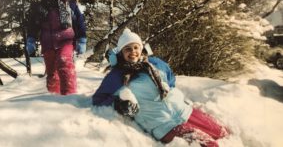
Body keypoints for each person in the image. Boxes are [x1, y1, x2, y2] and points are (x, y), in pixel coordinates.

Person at [92, 28, 229, 147]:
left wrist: (169, 90)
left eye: (136, 47)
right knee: (208, 144)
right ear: (121, 53)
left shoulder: (155, 63)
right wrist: (119, 104)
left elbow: (171, 79)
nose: (133, 52)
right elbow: (98, 99)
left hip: (183, 111)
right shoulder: (117, 76)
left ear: (141, 48)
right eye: (127, 49)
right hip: (162, 125)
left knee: (222, 132)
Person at [26, 0, 87, 95]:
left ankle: (69, 94)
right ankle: (53, 97)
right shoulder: (43, 6)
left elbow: (80, 22)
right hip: (48, 44)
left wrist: (82, 39)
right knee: (51, 71)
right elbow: (34, 23)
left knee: (64, 63)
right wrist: (31, 39)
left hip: (66, 41)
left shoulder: (70, 4)